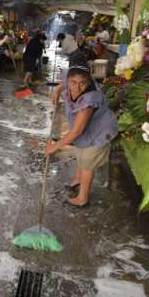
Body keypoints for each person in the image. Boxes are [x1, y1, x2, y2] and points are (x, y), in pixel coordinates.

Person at [47, 64, 118, 207]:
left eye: (82, 83)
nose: (77, 88)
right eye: (73, 83)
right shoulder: (70, 78)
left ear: (89, 82)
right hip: (87, 128)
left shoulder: (89, 99)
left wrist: (54, 147)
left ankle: (82, 199)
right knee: (80, 151)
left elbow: (77, 131)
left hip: (100, 130)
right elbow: (63, 84)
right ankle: (78, 179)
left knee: (87, 162)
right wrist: (56, 91)